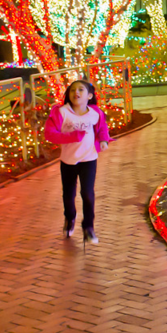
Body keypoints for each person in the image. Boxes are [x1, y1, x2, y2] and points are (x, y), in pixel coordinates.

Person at [43, 79, 112, 243]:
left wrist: (103, 140)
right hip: (68, 162)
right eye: (72, 90)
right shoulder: (62, 112)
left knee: (87, 194)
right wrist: (72, 137)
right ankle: (70, 218)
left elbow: (102, 127)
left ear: (89, 95)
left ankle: (89, 227)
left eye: (81, 90)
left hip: (89, 160)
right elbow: (49, 134)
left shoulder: (95, 113)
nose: (76, 93)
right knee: (69, 195)